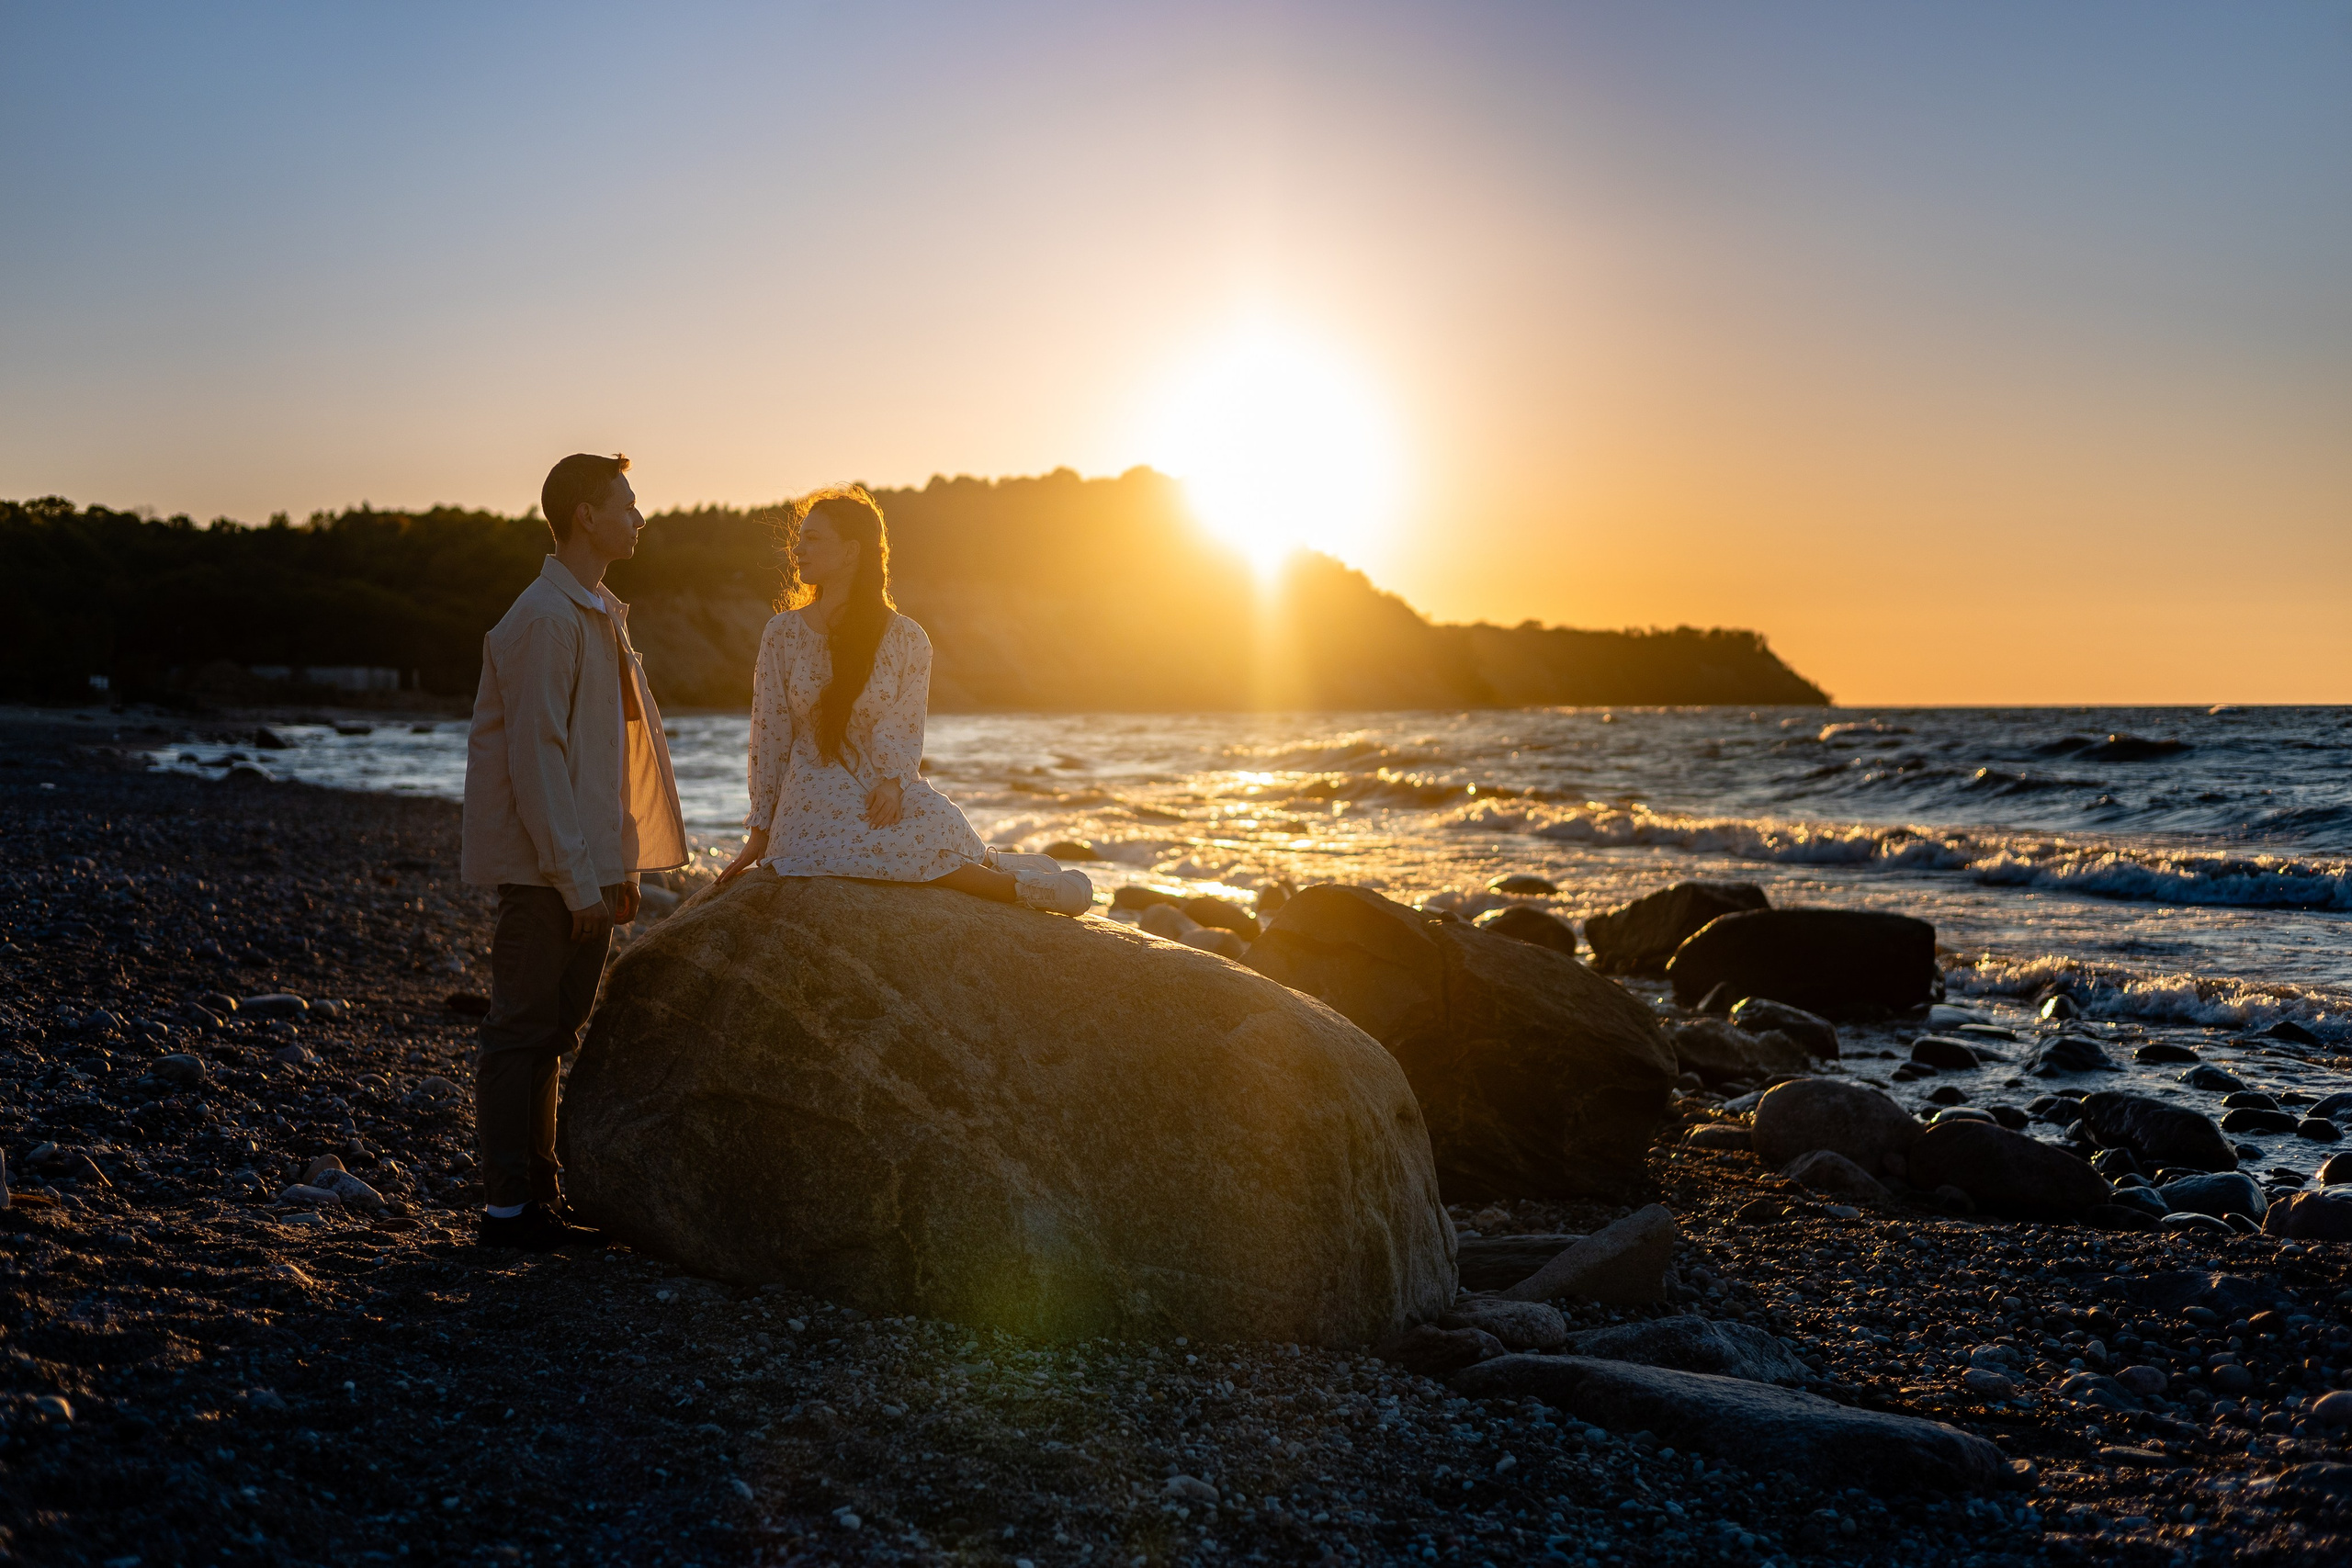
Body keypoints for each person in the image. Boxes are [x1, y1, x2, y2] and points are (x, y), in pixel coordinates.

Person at [460, 452, 687, 1250]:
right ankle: (507, 1211)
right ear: (585, 515)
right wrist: (573, 879)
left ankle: (538, 1200)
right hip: (546, 875)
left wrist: (620, 865)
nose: (639, 515)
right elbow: (537, 760)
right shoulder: (545, 618)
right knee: (520, 1031)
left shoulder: (598, 610)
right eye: (626, 502)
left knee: (552, 1034)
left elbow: (609, 759)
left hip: (587, 870)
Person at [715, 485, 1092, 914]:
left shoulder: (907, 639)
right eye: (799, 538)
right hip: (812, 791)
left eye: (813, 538)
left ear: (851, 551)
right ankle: (1018, 888)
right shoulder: (782, 634)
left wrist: (893, 783)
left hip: (880, 782)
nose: (797, 548)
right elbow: (770, 734)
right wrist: (761, 829)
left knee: (935, 822)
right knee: (886, 849)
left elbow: (903, 725)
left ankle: (995, 863)